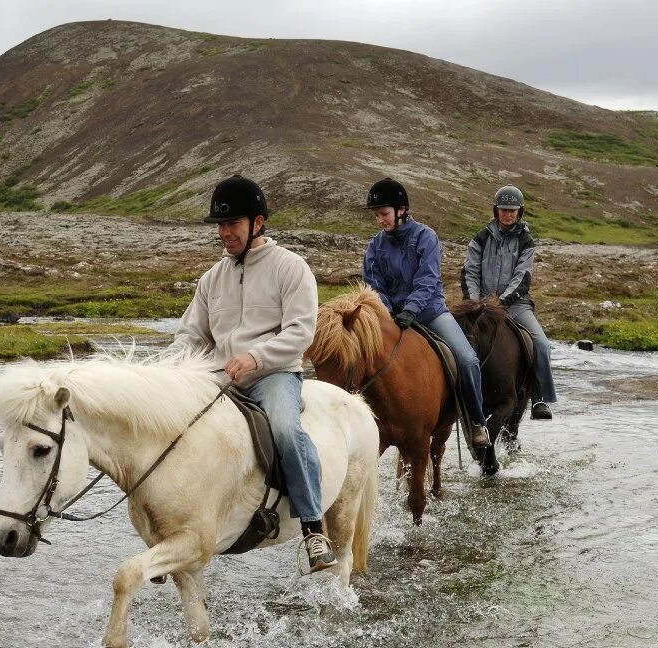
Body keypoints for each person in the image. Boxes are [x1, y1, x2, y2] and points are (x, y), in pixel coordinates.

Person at [168, 175, 337, 572]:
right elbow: (192, 334)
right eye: (221, 226)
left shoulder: (291, 268)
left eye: (233, 224)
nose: (225, 233)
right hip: (220, 377)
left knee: (284, 428)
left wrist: (255, 358)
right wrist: (168, 366)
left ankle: (313, 528)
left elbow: (300, 332)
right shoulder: (212, 279)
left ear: (257, 223)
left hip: (273, 375)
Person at [361, 177, 491, 454]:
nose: (379, 221)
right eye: (376, 215)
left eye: (383, 214)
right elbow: (373, 283)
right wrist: (387, 311)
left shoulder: (426, 237)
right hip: (393, 318)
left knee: (467, 359)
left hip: (430, 313)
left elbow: (427, 280)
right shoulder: (376, 245)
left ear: (401, 210)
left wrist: (411, 309)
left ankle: (477, 423)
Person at [462, 184, 556, 419]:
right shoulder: (481, 238)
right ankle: (456, 394)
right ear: (496, 211)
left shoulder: (526, 241)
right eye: (504, 209)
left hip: (515, 305)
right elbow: (470, 272)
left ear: (519, 212)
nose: (508, 214)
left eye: (512, 210)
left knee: (542, 344)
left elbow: (522, 277)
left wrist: (502, 302)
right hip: (481, 304)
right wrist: (474, 303)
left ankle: (539, 398)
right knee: (458, 339)